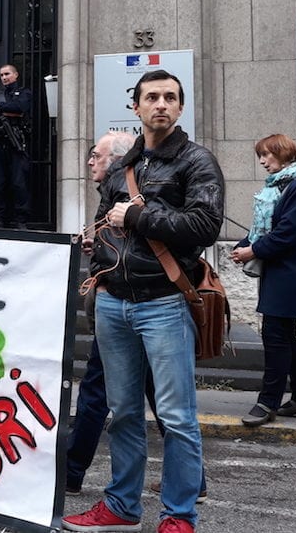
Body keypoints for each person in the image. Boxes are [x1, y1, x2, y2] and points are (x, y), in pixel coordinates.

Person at [63, 70, 224, 533]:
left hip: (165, 303)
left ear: (180, 107)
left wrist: (137, 213)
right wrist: (99, 267)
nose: (161, 104)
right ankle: (121, 506)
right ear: (136, 106)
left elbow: (204, 227)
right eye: (151, 97)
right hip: (115, 303)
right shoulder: (124, 165)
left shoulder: (197, 162)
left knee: (176, 417)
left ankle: (178, 516)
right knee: (125, 412)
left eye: (170, 98)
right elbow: (100, 221)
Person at [231, 135, 296, 427]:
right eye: (261, 156)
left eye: (266, 155)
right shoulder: (277, 187)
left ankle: (268, 402)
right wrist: (243, 246)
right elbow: (261, 230)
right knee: (285, 335)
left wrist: (252, 251)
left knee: (275, 335)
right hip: (279, 271)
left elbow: (286, 232)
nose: (263, 162)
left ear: (282, 154)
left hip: (290, 272)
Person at [67, 131, 135, 495]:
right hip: (124, 303)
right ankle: (193, 481)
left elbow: (130, 249)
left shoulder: (124, 189)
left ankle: (72, 472)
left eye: (97, 155)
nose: (91, 161)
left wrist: (104, 251)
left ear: (115, 160)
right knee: (162, 402)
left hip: (123, 305)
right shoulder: (116, 188)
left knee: (95, 390)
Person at [0, 63, 31, 229]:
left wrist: (0, 108)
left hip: (16, 143)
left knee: (19, 183)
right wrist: (5, 110)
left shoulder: (24, 92)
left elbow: (21, 107)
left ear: (16, 75)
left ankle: (21, 220)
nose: (4, 77)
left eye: (7, 74)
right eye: (2, 75)